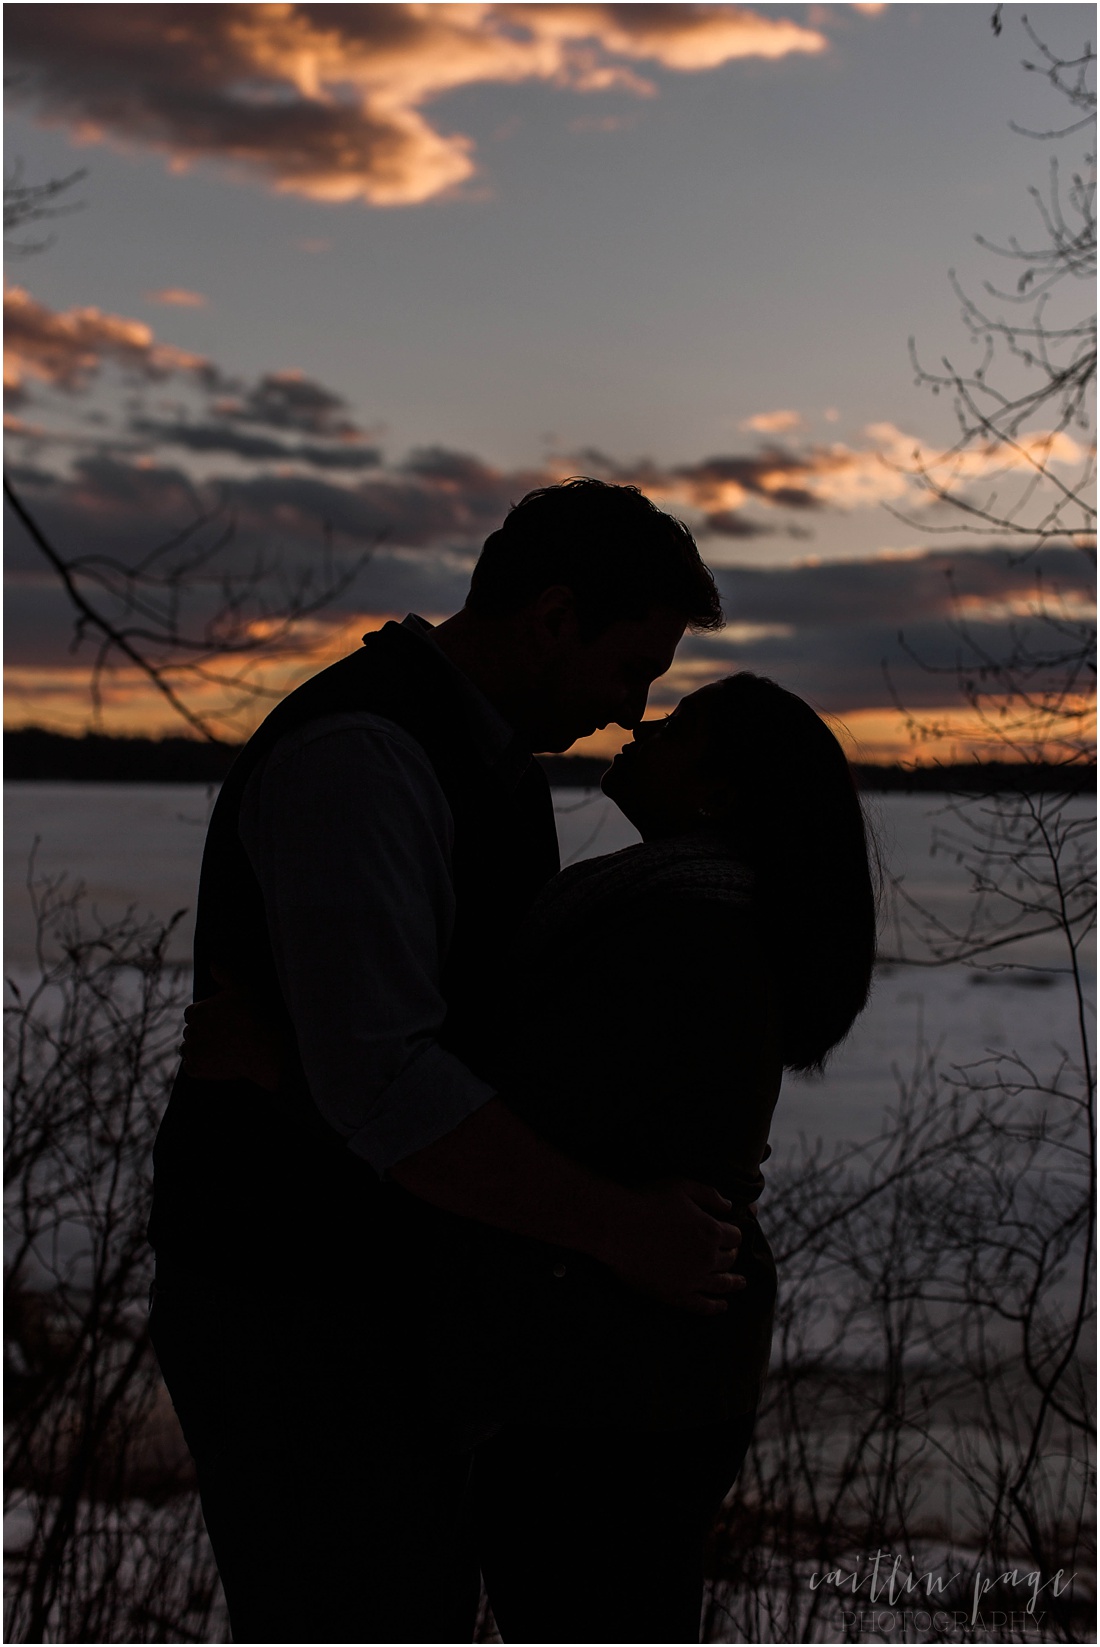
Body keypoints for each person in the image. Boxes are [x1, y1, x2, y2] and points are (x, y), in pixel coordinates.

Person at [148, 477, 745, 1645]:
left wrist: (298, 1062)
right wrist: (628, 1232)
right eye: (630, 668)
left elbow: (477, 1039)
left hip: (392, 1316)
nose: (632, 712)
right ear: (553, 617)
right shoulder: (361, 758)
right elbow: (388, 1082)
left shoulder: (495, 775)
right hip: (294, 1314)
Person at [181, 671, 877, 1643]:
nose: (639, 724)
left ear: (714, 792)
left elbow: (501, 1110)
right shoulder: (670, 914)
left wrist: (279, 1063)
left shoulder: (680, 938)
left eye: (675, 726)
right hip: (627, 1377)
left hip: (619, 1399)